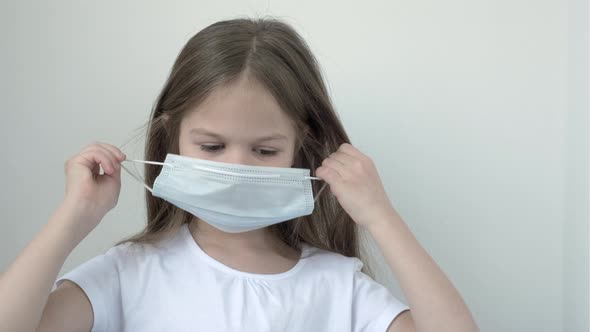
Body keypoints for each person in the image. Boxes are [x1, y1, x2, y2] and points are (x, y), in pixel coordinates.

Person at [0, 17, 478, 332]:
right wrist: (74, 217)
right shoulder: (128, 273)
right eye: (211, 146)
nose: (235, 169)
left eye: (265, 150)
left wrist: (380, 217)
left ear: (302, 151)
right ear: (172, 141)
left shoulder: (338, 287)